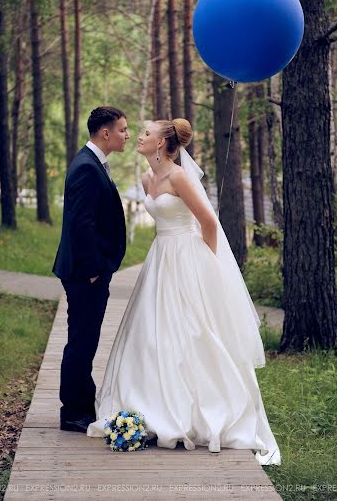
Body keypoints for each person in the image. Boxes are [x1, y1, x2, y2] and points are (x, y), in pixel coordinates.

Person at [87, 118, 281, 465]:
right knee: (149, 334)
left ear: (161, 143)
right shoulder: (148, 178)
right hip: (159, 258)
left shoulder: (179, 177)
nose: (139, 137)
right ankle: (147, 405)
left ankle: (199, 411)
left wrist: (206, 266)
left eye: (145, 133)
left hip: (188, 258)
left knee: (192, 332)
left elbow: (208, 222)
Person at [53, 106, 130, 433]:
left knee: (86, 339)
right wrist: (95, 269)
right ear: (105, 133)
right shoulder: (86, 167)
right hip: (86, 272)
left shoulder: (92, 162)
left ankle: (83, 404)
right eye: (123, 129)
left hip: (89, 270)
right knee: (81, 341)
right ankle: (72, 411)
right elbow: (80, 224)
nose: (127, 135)